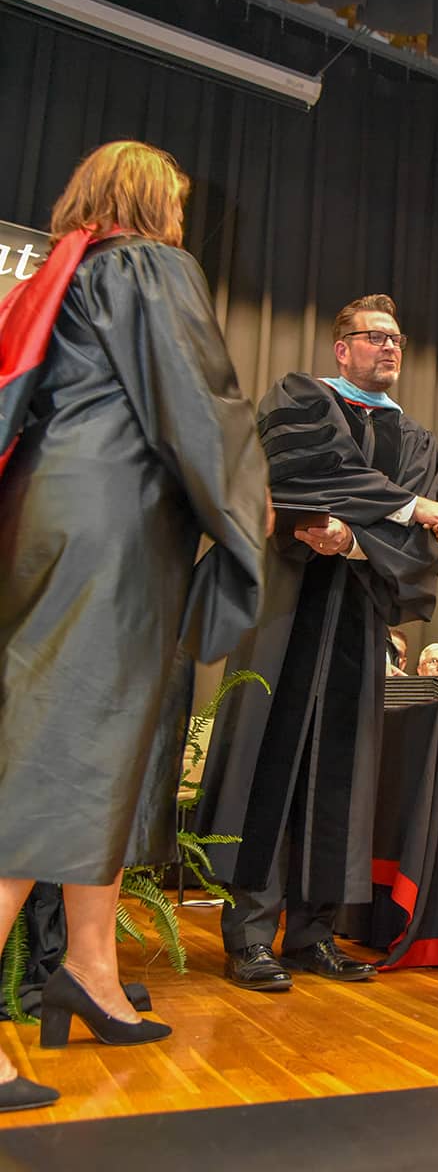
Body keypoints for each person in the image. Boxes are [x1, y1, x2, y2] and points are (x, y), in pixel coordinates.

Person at [0, 140, 267, 1111]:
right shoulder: (146, 267)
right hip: (109, 533)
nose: (186, 221)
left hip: (47, 521)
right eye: (181, 204)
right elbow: (204, 404)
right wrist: (249, 507)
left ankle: (90, 970)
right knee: (54, 752)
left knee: (94, 749)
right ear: (153, 201)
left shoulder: (60, 277)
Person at [196, 293, 438, 991]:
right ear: (340, 348)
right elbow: (298, 475)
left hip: (358, 619)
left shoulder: (419, 442)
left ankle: (312, 935)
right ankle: (250, 934)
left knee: (339, 779)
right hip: (287, 609)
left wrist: (354, 538)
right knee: (269, 762)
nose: (388, 347)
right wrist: (396, 512)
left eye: (397, 338)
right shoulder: (299, 397)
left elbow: (418, 545)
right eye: (373, 337)